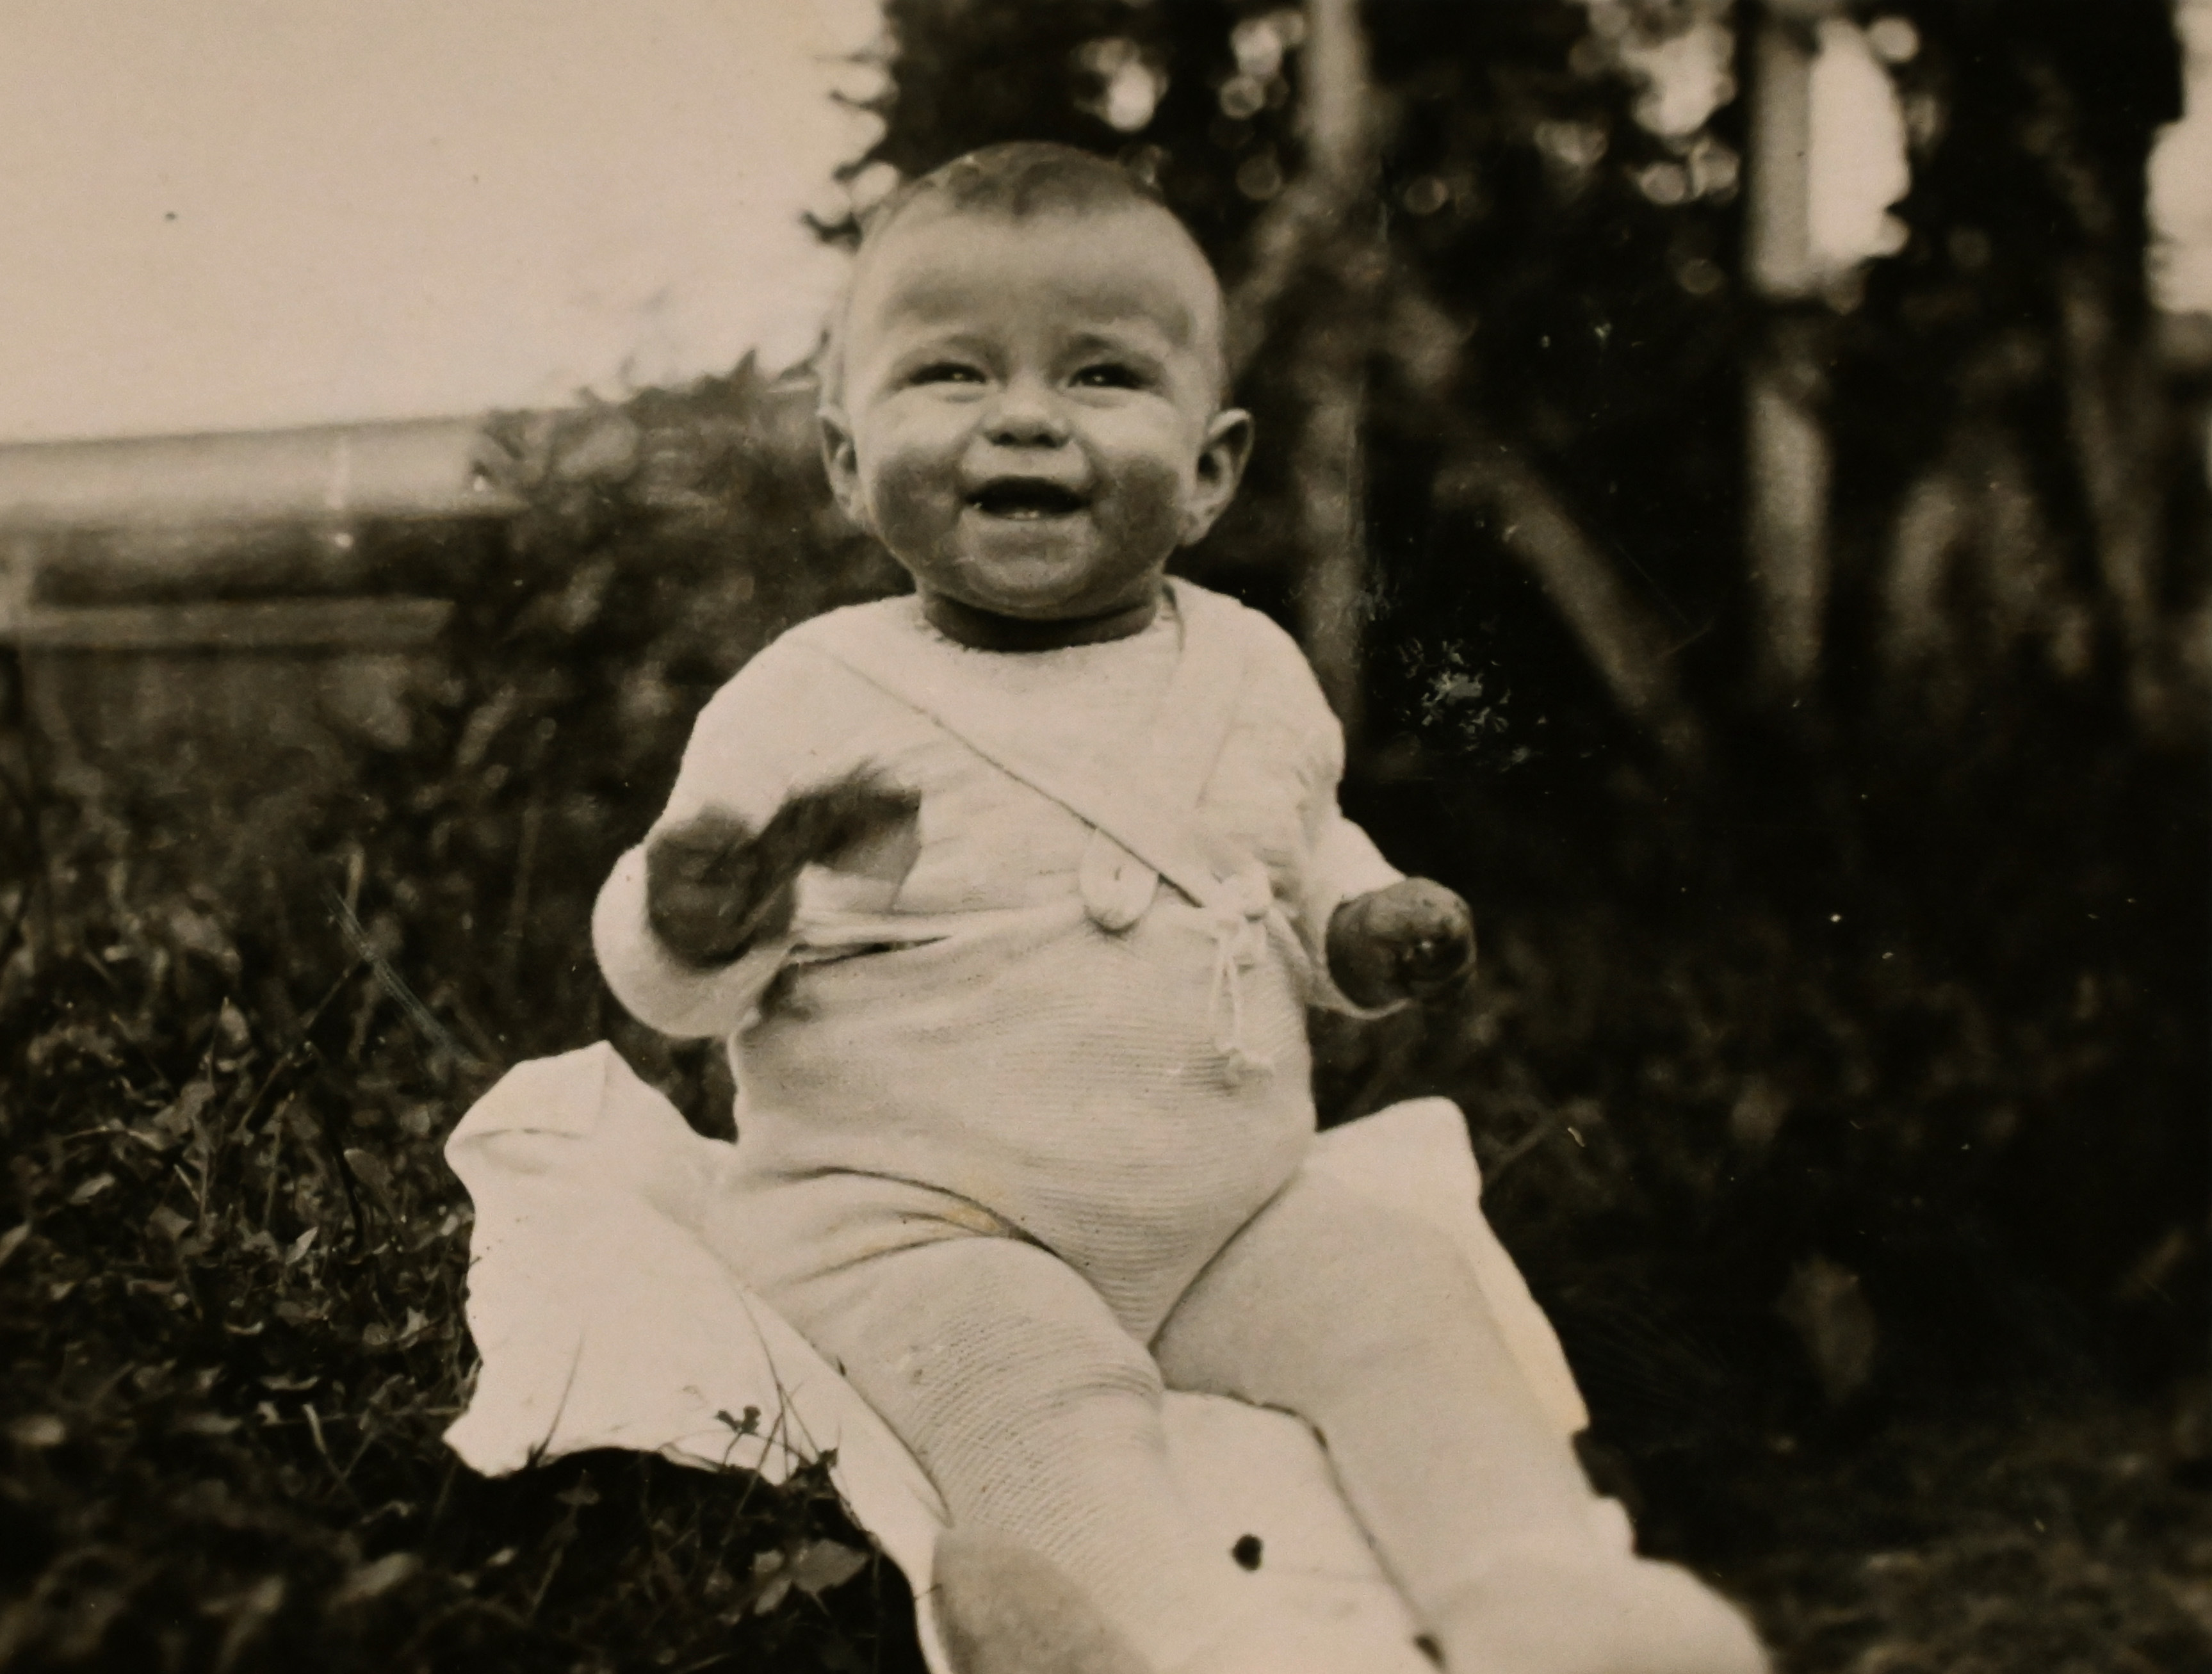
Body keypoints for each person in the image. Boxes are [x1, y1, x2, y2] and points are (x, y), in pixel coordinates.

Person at [593, 142, 1766, 1674]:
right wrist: (691, 918)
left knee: (1401, 1298)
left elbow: (1299, 853)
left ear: (1210, 472)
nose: (1026, 416)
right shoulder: (810, 697)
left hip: (1220, 1213)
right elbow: (679, 991)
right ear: (843, 458)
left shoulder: (1248, 672)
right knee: (1029, 1379)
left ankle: (1535, 1592)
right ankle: (1141, 1633)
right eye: (949, 372)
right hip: (915, 1223)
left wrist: (1359, 927)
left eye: (1100, 375)